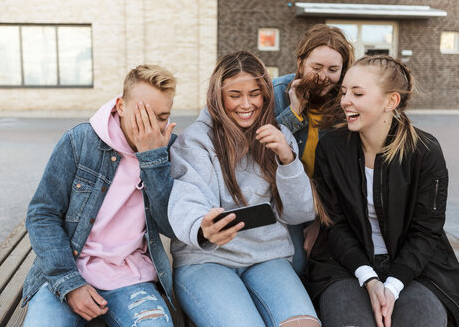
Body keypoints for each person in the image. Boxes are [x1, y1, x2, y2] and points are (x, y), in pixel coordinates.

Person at [168, 51, 320, 327]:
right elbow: (186, 197)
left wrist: (287, 159)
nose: (246, 104)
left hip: (267, 257)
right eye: (235, 95)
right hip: (206, 260)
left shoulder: (279, 137)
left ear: (265, 95)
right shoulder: (196, 141)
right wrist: (202, 227)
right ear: (218, 97)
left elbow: (299, 213)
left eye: (254, 93)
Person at [308, 55, 459, 327]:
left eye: (358, 93)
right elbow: (336, 225)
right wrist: (369, 278)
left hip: (415, 268)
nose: (345, 101)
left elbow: (427, 229)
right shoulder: (331, 148)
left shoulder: (424, 151)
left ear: (391, 101)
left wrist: (394, 284)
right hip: (345, 265)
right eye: (344, 92)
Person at [22, 65, 178, 327]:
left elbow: (170, 226)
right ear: (121, 106)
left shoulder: (167, 149)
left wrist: (152, 160)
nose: (151, 128)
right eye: (143, 115)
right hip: (68, 271)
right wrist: (69, 283)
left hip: (131, 278)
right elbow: (42, 214)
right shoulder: (80, 141)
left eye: (161, 118)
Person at [272, 24, 355, 274]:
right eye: (316, 68)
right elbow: (264, 152)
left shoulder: (348, 102)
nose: (322, 77)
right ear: (300, 62)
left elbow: (346, 171)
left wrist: (321, 220)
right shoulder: (277, 92)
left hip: (327, 204)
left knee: (325, 258)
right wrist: (293, 113)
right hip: (283, 200)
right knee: (297, 262)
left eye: (333, 70)